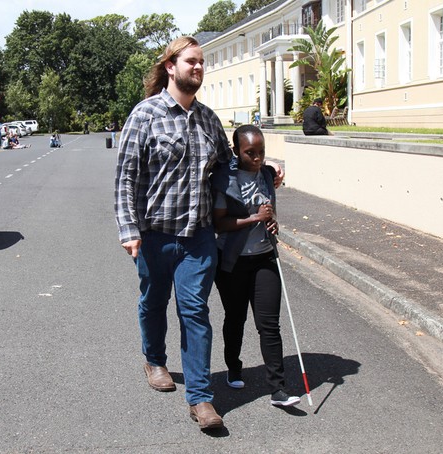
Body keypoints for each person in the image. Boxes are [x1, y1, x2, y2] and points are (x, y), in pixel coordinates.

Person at [114, 36, 236, 431]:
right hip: (154, 235)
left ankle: (201, 398)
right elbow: (126, 178)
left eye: (202, 62)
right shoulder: (144, 115)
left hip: (198, 237)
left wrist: (267, 172)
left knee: (195, 312)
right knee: (153, 301)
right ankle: (154, 359)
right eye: (191, 62)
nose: (198, 68)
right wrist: (129, 229)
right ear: (171, 66)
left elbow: (229, 167)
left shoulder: (208, 119)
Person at [211, 124, 301, 408]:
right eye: (250, 152)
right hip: (232, 261)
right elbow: (219, 223)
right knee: (235, 318)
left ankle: (278, 389)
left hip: (264, 257)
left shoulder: (267, 174)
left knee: (269, 324)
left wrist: (272, 222)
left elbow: (270, 210)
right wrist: (254, 218)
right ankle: (234, 367)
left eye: (261, 152)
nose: (257, 158)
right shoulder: (224, 180)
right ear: (237, 151)